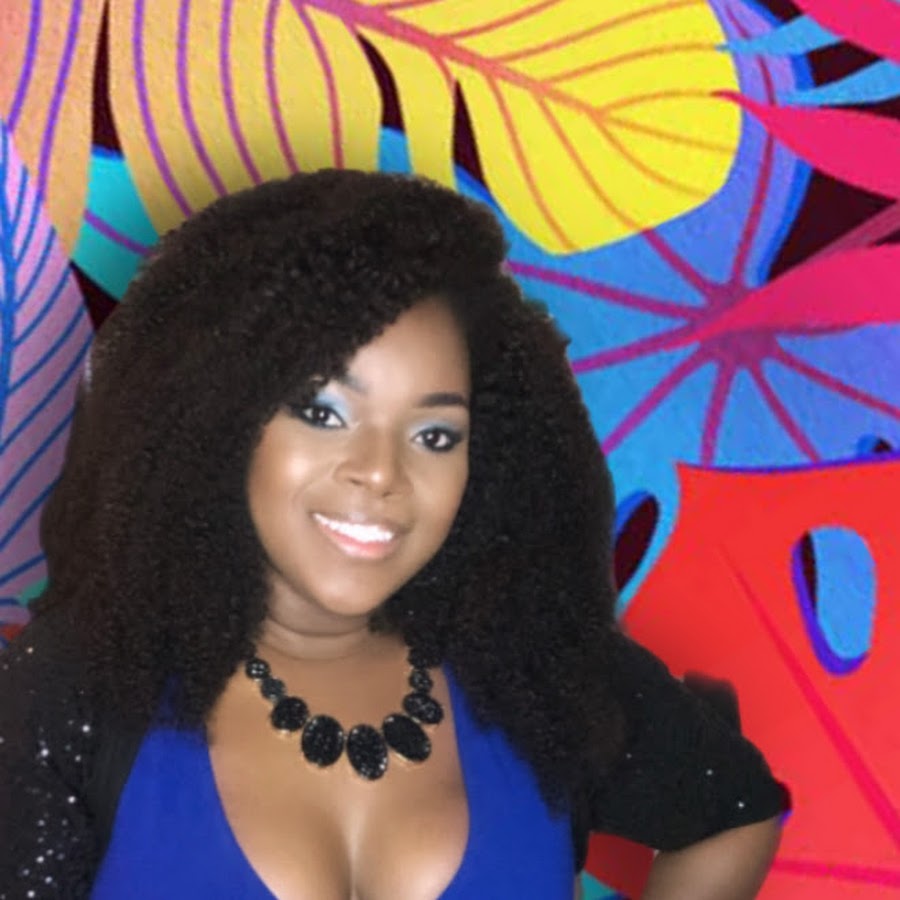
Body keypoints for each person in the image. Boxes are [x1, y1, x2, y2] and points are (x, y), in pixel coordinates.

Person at [0, 170, 788, 899]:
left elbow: (734, 810)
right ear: (223, 417)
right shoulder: (72, 692)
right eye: (322, 413)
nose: (380, 472)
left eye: (435, 435)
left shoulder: (532, 670)